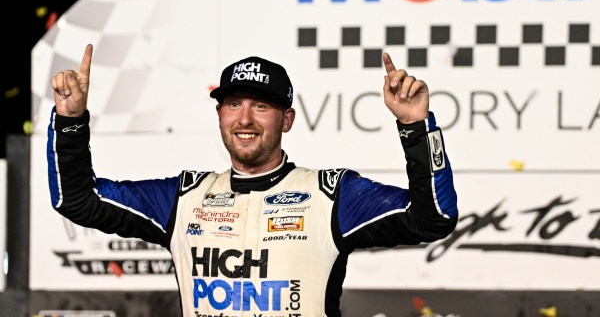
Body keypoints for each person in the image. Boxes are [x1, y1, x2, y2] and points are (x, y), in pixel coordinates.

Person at [48, 43, 458, 317]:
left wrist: (416, 126)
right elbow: (77, 201)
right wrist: (69, 121)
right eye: (233, 104)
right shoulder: (183, 197)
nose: (244, 119)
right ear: (220, 115)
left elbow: (433, 218)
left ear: (288, 119)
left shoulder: (330, 194)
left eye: (261, 106)